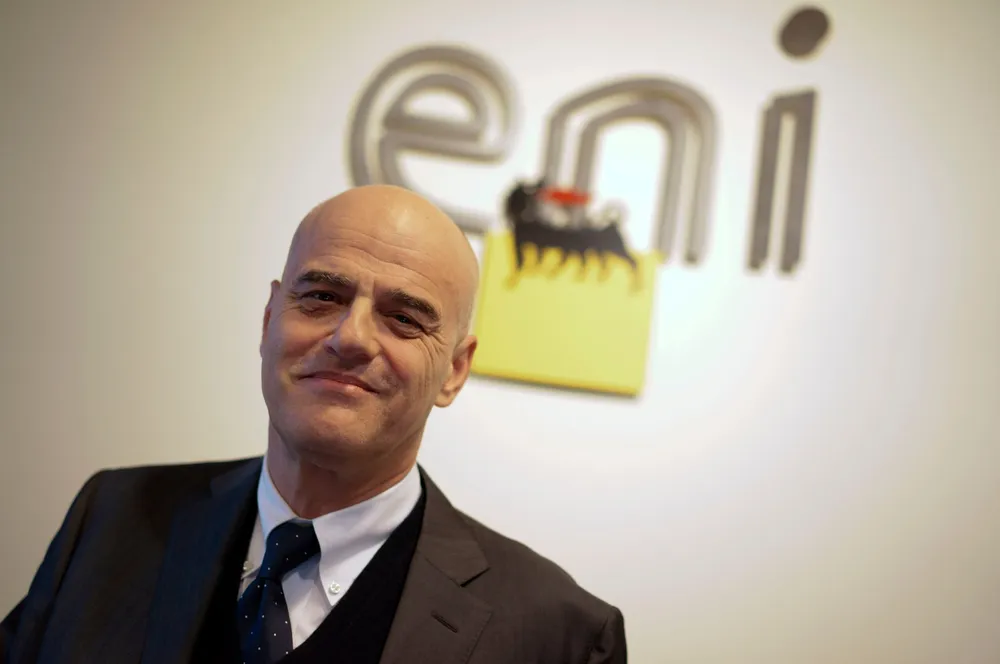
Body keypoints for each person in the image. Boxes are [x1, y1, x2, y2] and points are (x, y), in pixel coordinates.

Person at [1, 185, 627, 663]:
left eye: (404, 318)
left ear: (455, 372)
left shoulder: (561, 637)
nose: (350, 338)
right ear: (269, 319)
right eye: (322, 296)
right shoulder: (110, 520)